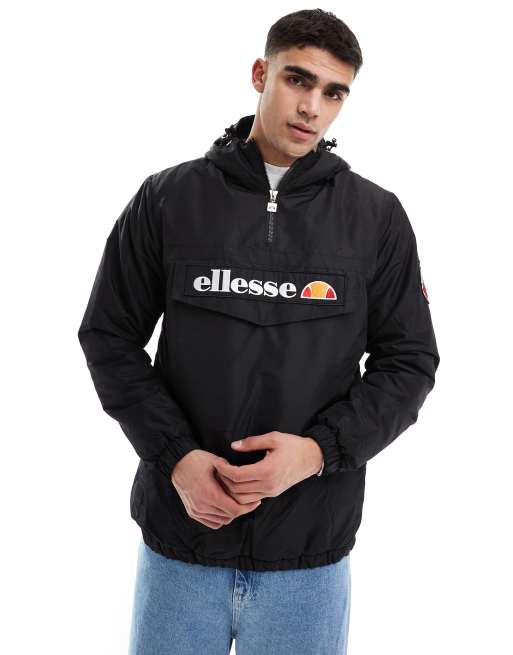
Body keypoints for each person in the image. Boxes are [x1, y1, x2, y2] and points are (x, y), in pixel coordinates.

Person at [77, 9, 440, 655]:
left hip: (309, 558)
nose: (312, 107)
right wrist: (177, 458)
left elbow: (408, 362)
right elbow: (109, 336)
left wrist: (317, 452)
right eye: (298, 80)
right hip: (181, 546)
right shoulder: (167, 198)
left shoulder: (376, 217)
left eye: (334, 93)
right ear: (259, 74)